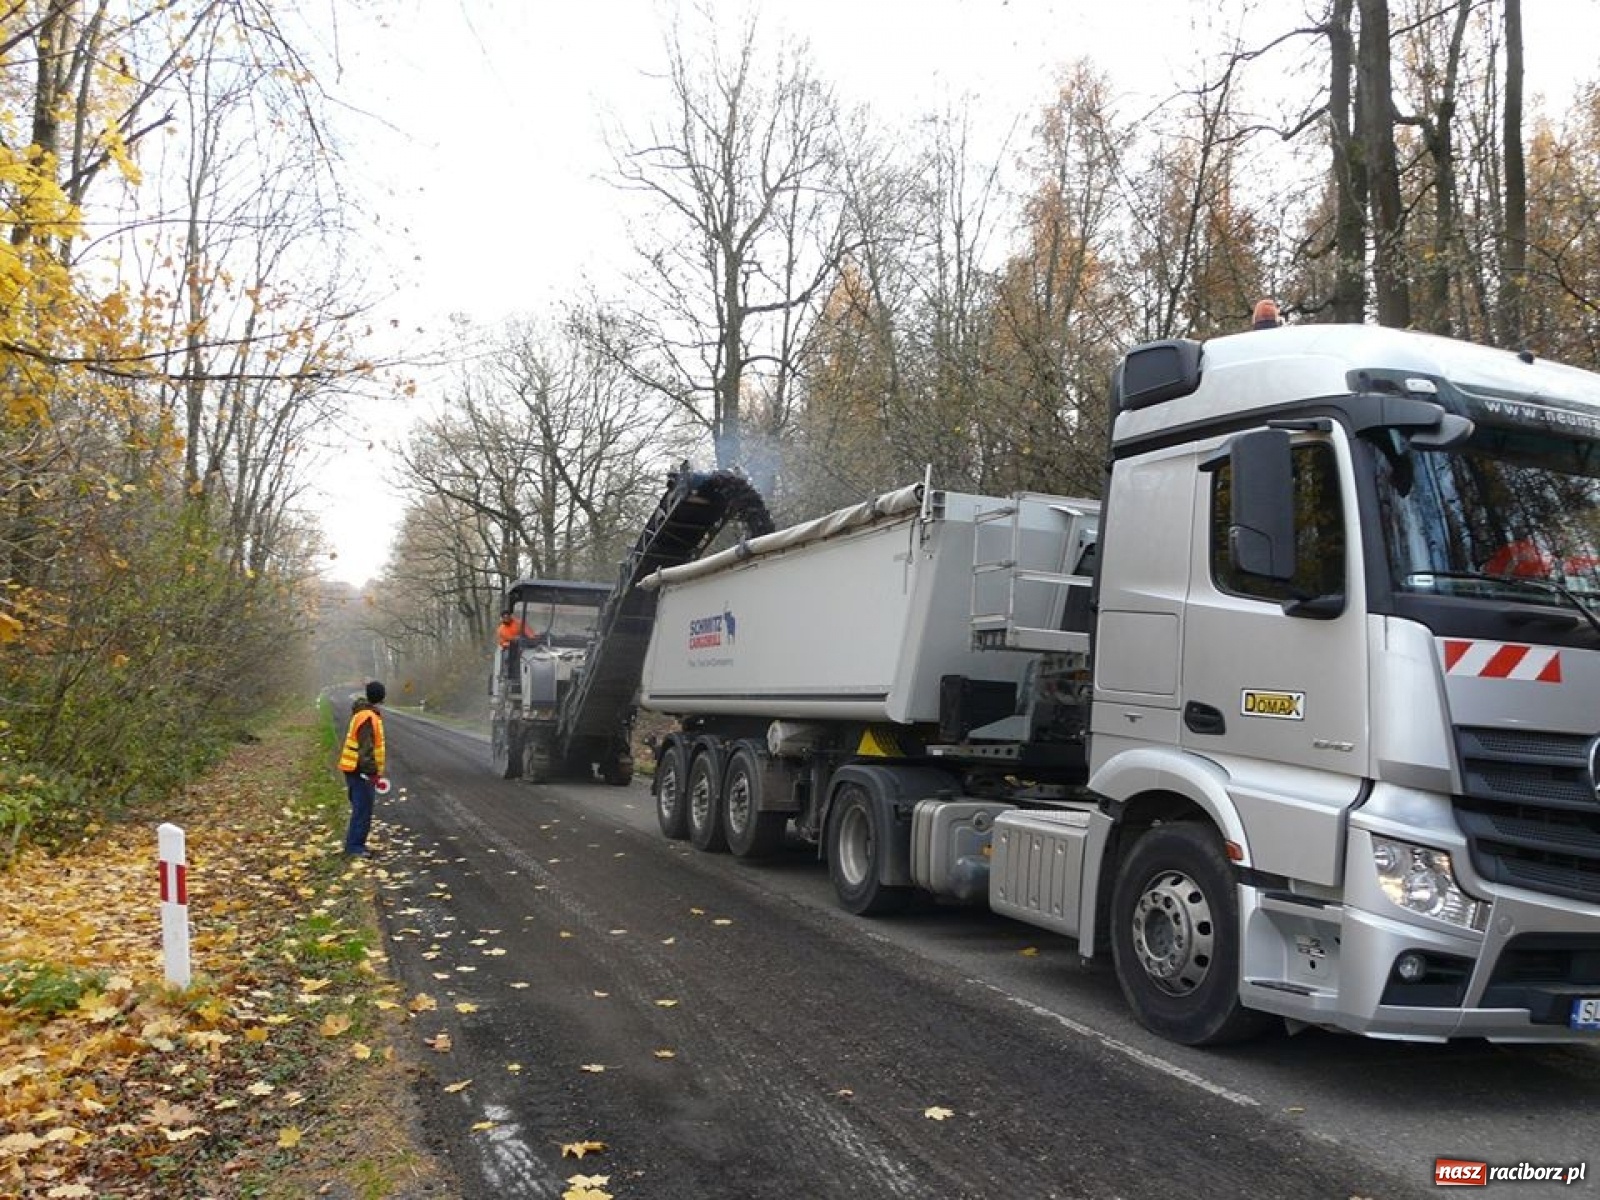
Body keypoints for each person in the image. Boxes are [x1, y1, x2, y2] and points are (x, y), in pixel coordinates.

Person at [338, 680, 387, 856]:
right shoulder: (368, 717)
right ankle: (355, 847)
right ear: (380, 697)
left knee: (361, 808)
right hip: (359, 770)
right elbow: (366, 749)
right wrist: (372, 773)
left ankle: (355, 844)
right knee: (362, 809)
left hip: (354, 768)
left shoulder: (363, 714)